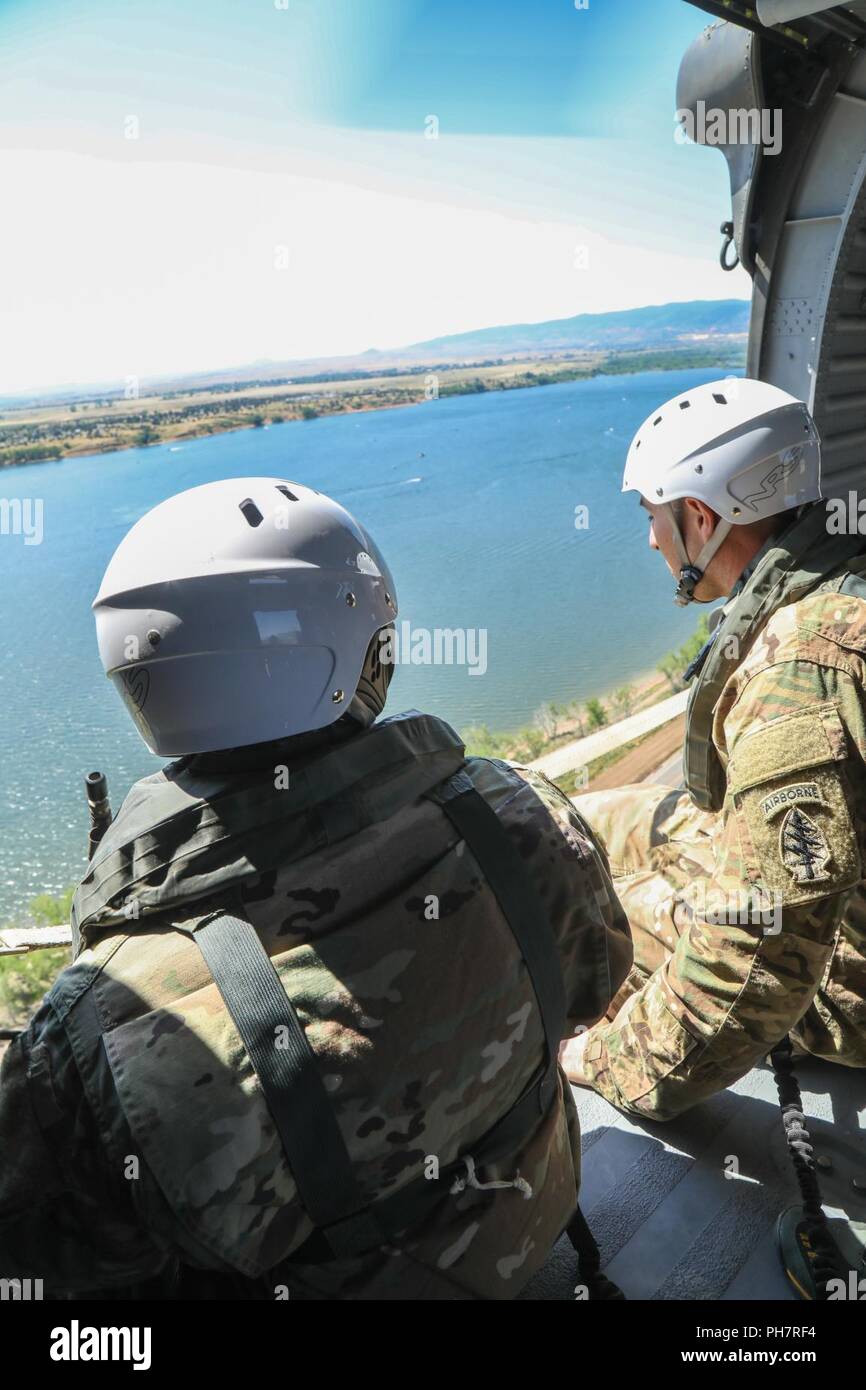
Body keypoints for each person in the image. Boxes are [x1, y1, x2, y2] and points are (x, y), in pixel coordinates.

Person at [0, 477, 631, 1300]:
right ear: (359, 645)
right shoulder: (513, 813)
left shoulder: (93, 1031)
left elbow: (46, 1264)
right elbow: (596, 981)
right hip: (531, 1232)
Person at [560, 377, 866, 1123]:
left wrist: (600, 1060)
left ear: (701, 517)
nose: (651, 538)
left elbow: (757, 956)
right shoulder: (834, 581)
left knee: (601, 909)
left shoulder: (799, 672)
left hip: (848, 979)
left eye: (654, 517)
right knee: (577, 822)